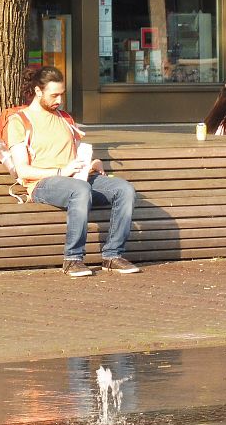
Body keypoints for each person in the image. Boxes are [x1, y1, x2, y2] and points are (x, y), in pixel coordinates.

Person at [7, 66, 139, 277]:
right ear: (38, 91)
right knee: (80, 190)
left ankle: (112, 255)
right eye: (54, 95)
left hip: (77, 178)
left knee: (123, 189)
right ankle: (73, 259)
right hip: (43, 183)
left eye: (62, 94)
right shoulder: (19, 121)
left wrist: (91, 163)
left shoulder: (65, 119)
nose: (59, 100)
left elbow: (74, 153)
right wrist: (62, 171)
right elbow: (23, 170)